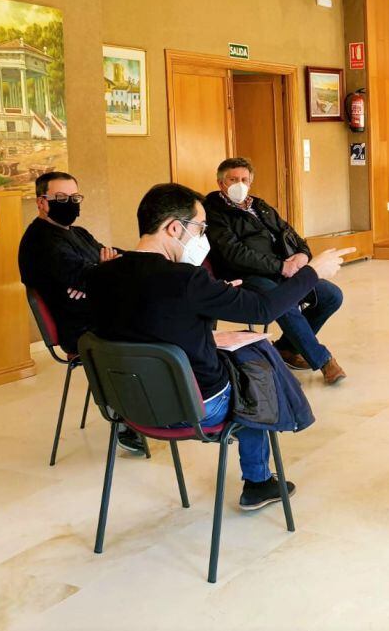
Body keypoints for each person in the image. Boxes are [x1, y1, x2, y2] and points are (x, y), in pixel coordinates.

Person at [87, 183, 352, 510]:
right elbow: (263, 310)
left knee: (241, 345)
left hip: (128, 403)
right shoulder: (186, 279)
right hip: (192, 405)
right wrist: (312, 273)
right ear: (174, 227)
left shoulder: (100, 276)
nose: (203, 239)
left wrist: (209, 326)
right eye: (199, 228)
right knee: (256, 365)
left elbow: (141, 328)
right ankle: (258, 481)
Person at [18, 172, 144, 454]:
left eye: (75, 198)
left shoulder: (78, 233)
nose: (70, 203)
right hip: (80, 328)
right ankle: (123, 416)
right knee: (145, 327)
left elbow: (108, 260)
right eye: (61, 198)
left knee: (159, 312)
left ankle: (157, 403)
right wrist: (96, 276)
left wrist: (130, 262)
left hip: (98, 310)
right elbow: (90, 276)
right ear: (42, 202)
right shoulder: (40, 242)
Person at [203, 157, 346, 385]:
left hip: (283, 271)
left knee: (331, 296)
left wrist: (303, 254)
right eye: (233, 179)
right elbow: (234, 253)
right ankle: (324, 360)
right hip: (246, 275)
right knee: (284, 302)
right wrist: (281, 266)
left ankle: (286, 348)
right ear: (221, 183)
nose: (239, 184)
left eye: (244, 179)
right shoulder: (213, 212)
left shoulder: (260, 206)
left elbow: (291, 233)